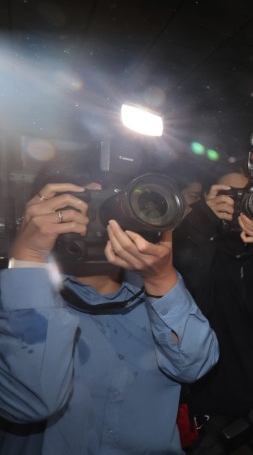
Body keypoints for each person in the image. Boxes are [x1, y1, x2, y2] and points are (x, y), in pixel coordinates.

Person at [0, 151, 219, 454]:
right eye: (81, 204)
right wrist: (28, 258)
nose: (100, 218)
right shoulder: (18, 297)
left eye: (112, 201)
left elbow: (194, 366)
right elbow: (30, 402)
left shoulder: (158, 289)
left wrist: (162, 279)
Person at [172, 164, 253, 453]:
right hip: (217, 412)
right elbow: (183, 287)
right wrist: (201, 222)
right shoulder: (201, 250)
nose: (237, 204)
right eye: (228, 195)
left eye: (246, 195)